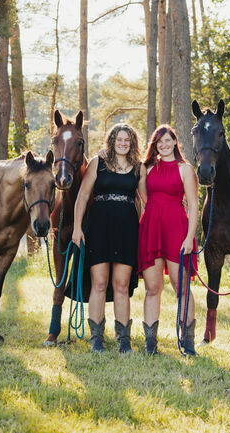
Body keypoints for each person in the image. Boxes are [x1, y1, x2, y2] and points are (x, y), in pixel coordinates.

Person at [72, 123, 143, 353]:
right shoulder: (98, 162)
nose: (123, 143)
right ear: (111, 141)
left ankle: (124, 340)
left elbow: (146, 201)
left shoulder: (138, 167)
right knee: (99, 283)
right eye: (119, 139)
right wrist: (76, 228)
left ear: (132, 143)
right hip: (99, 228)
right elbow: (82, 196)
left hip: (127, 230)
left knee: (121, 285)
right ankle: (96, 339)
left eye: (127, 140)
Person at [137, 124, 199, 355]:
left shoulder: (185, 169)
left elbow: (193, 205)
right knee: (153, 288)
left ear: (175, 142)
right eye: (159, 142)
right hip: (152, 230)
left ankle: (188, 343)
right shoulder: (147, 169)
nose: (163, 145)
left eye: (168, 140)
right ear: (155, 145)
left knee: (181, 287)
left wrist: (189, 238)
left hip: (177, 232)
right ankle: (150, 345)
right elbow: (145, 199)